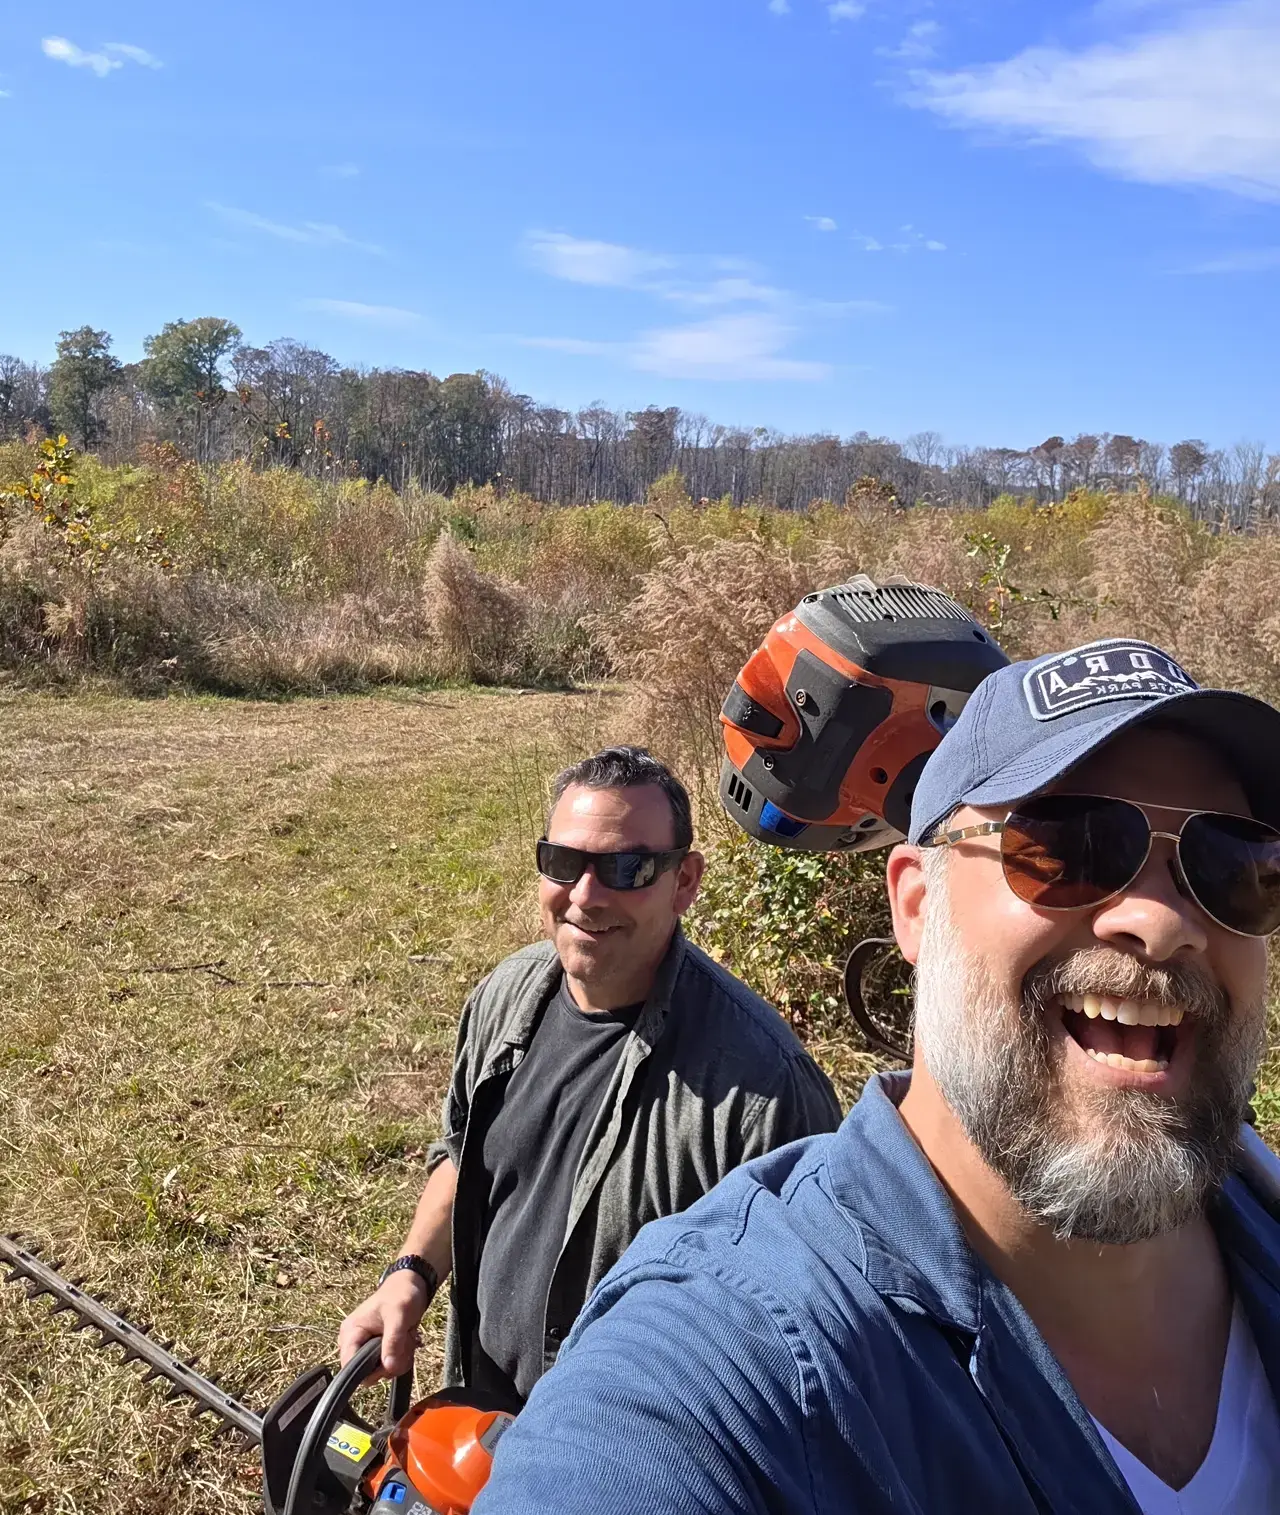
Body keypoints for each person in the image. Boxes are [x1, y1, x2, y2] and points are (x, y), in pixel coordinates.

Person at [474, 640, 1280, 1513]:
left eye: (1232, 866)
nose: (1164, 922)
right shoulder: (739, 1352)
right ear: (916, 904)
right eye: (1070, 846)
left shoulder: (1260, 1211)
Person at [337, 744, 841, 1412]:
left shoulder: (763, 1090)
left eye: (627, 869)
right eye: (563, 862)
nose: (584, 895)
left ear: (685, 881)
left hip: (629, 1447)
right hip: (482, 1413)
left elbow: (800, 1342)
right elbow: (462, 1155)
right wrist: (411, 1273)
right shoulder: (504, 997)